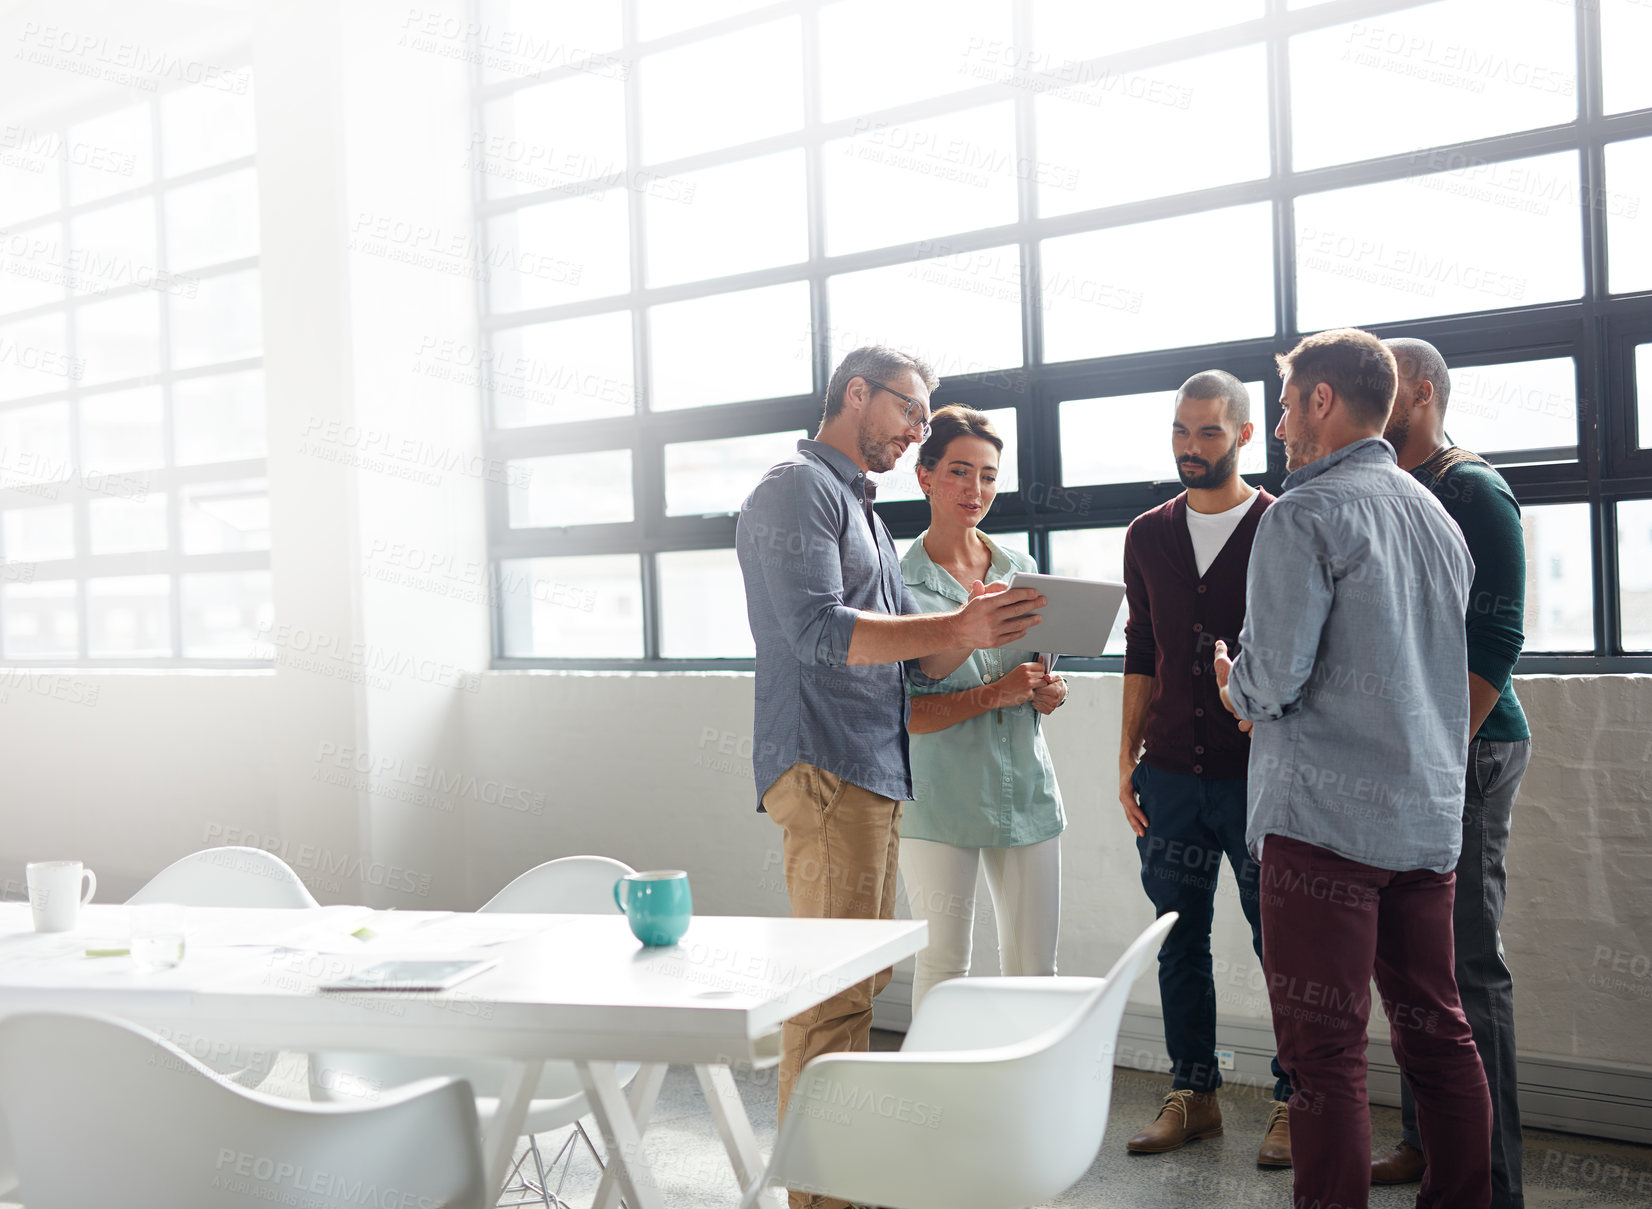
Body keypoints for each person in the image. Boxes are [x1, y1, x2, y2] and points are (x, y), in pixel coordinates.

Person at [735, 346, 1045, 1209]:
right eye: (909, 411)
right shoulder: (796, 489)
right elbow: (818, 632)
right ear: (856, 392)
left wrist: (991, 628)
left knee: (855, 988)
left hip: (870, 769)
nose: (917, 430)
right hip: (829, 762)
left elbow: (914, 659)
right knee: (832, 995)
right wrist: (957, 622)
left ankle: (836, 1184)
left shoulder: (860, 511)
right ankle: (822, 1196)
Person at [1215, 326, 1494, 1209]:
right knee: (1441, 1041)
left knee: (1324, 1057)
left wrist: (1233, 684)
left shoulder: (1301, 515)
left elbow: (1273, 682)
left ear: (1323, 401)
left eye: (1291, 403)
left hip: (1324, 829)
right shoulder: (1436, 515)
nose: (1285, 424)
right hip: (1422, 825)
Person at [1117, 371, 1295, 1165]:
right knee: (1177, 937)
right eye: (1182, 432)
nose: (1192, 447)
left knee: (1281, 944)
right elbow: (1142, 650)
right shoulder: (1148, 533)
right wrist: (1126, 757)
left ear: (1246, 435)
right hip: (1170, 780)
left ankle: (1298, 1099)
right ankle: (1196, 1094)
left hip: (1263, 779)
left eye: (1210, 433)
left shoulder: (1283, 526)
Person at [1369, 338, 1531, 1208]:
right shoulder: (1394, 483)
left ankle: (1492, 1179)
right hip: (1417, 752)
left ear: (1420, 394)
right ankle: (1425, 1142)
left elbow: (1499, 636)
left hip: (1471, 746)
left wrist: (1442, 748)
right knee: (1413, 961)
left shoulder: (1471, 487)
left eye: (1383, 388)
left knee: (1468, 965)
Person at [897, 406, 1068, 1011]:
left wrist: (1049, 691)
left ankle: (1027, 1100)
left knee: (1034, 969)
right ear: (924, 476)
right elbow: (906, 716)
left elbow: (1041, 677)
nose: (976, 490)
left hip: (1026, 791)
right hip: (940, 802)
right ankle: (939, 1103)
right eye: (960, 472)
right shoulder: (898, 583)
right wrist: (994, 693)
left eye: (990, 476)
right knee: (943, 966)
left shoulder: (1021, 572)